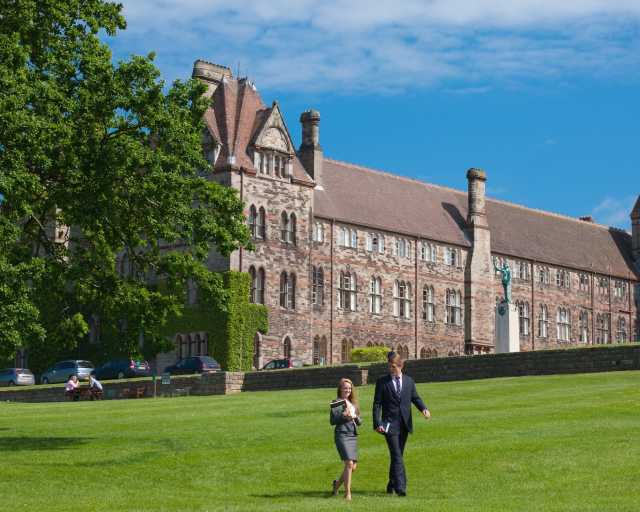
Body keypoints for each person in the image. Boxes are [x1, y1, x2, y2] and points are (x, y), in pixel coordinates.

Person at [373, 351, 430, 496]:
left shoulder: (409, 381)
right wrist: (377, 422)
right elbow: (377, 404)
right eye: (389, 366)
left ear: (401, 366)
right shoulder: (382, 382)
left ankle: (391, 484)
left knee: (398, 455)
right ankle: (401, 487)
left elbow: (415, 398)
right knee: (397, 455)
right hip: (389, 424)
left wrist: (424, 408)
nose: (390, 369)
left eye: (393, 367)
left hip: (404, 424)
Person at [330, 378, 362, 501]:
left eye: (349, 388)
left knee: (353, 467)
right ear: (340, 389)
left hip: (352, 435)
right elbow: (332, 421)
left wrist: (354, 416)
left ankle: (336, 485)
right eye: (345, 388)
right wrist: (344, 416)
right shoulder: (336, 402)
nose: (347, 390)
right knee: (348, 463)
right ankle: (347, 493)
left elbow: (359, 422)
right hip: (342, 435)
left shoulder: (353, 403)